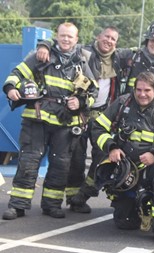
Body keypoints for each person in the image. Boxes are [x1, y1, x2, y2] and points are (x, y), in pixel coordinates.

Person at [2, 22, 98, 220]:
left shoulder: (81, 62)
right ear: (57, 36)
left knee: (60, 165)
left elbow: (93, 91)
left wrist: (80, 102)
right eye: (62, 35)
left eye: (70, 37)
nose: (65, 39)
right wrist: (11, 89)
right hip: (37, 119)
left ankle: (52, 205)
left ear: (76, 40)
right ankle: (18, 205)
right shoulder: (41, 56)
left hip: (65, 123)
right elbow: (16, 75)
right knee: (29, 161)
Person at [36, 26, 133, 213]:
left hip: (104, 116)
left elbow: (144, 51)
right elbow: (63, 42)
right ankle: (73, 198)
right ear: (98, 36)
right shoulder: (83, 52)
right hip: (81, 113)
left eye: (113, 39)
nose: (109, 41)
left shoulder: (119, 58)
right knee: (76, 159)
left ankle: (83, 195)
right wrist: (44, 45)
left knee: (102, 159)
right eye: (106, 37)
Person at [91, 71, 154, 245]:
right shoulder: (122, 103)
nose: (142, 94)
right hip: (128, 168)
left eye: (147, 90)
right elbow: (98, 127)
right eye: (139, 90)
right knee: (124, 223)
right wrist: (112, 147)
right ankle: (141, 208)